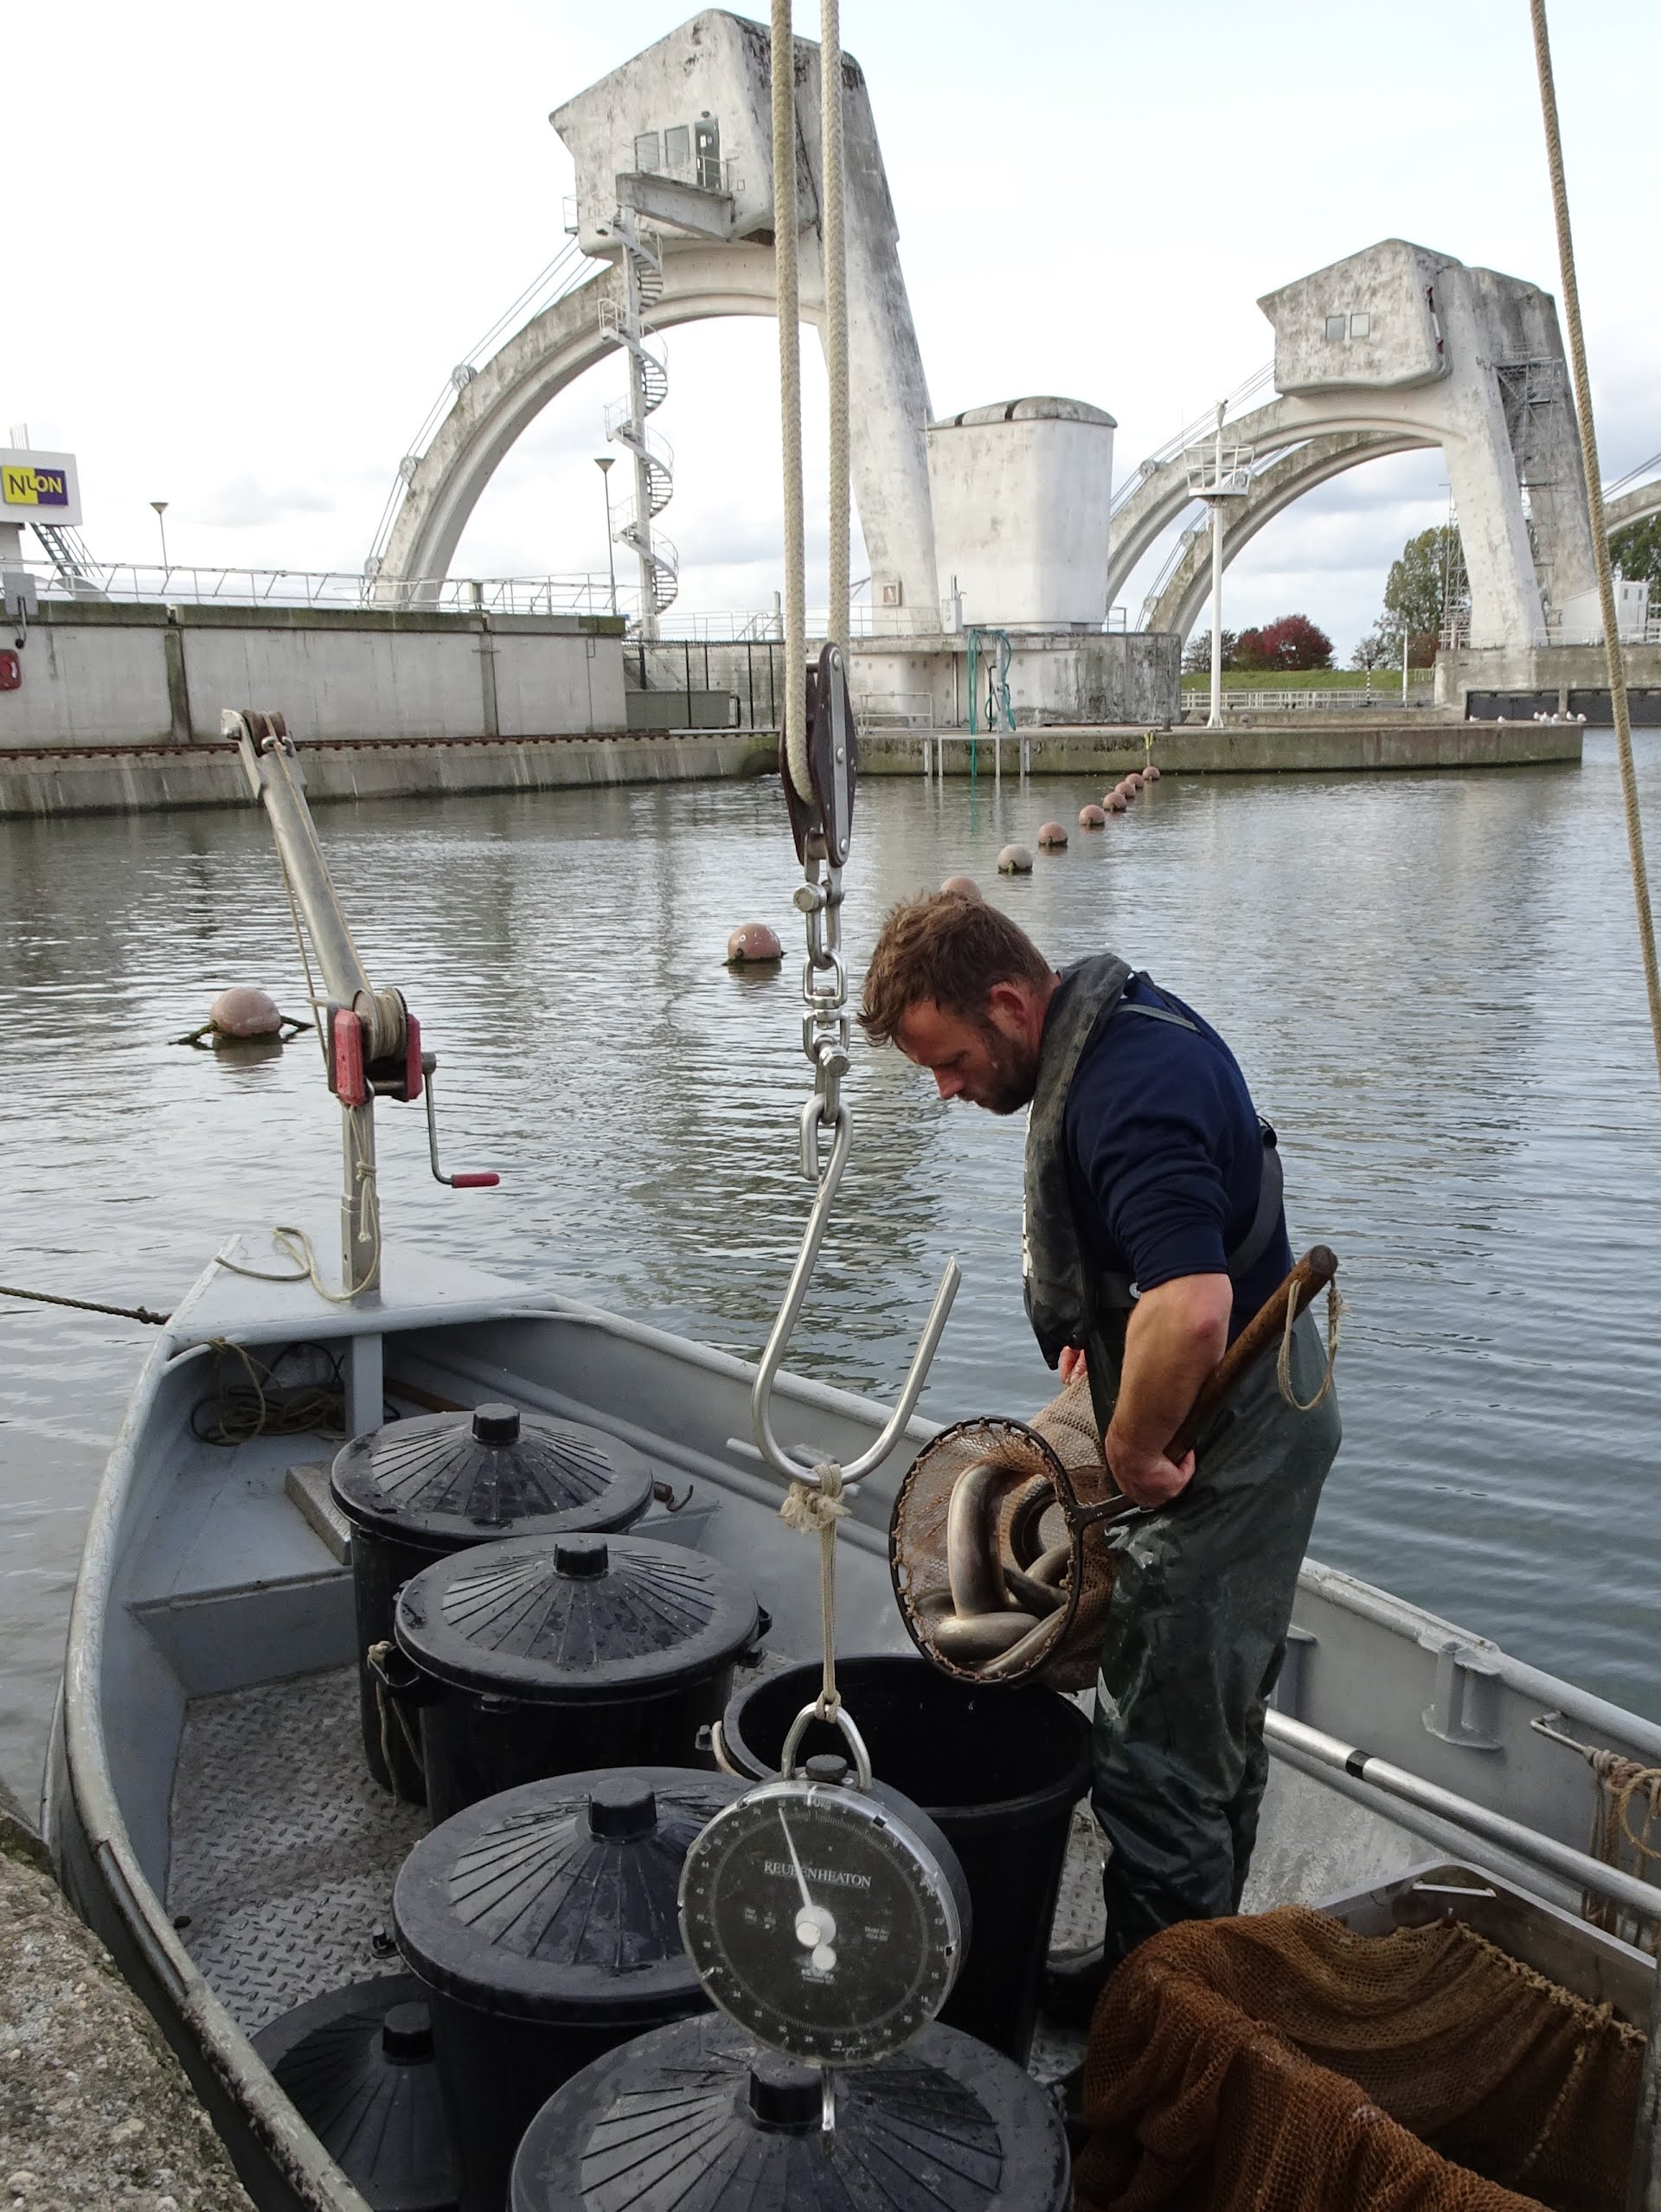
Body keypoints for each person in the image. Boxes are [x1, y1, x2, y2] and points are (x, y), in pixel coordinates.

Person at [859, 888, 1341, 1982]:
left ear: (1009, 1002)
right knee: (1205, 1727)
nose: (943, 1090)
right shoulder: (1105, 1037)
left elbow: (1194, 1306)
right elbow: (1158, 1265)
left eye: (948, 1062)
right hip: (1213, 1389)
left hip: (1241, 1426)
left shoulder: (1126, 1090)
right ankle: (1181, 1971)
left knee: (1158, 1759)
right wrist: (1108, 1330)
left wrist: (1129, 1451)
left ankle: (1159, 2035)